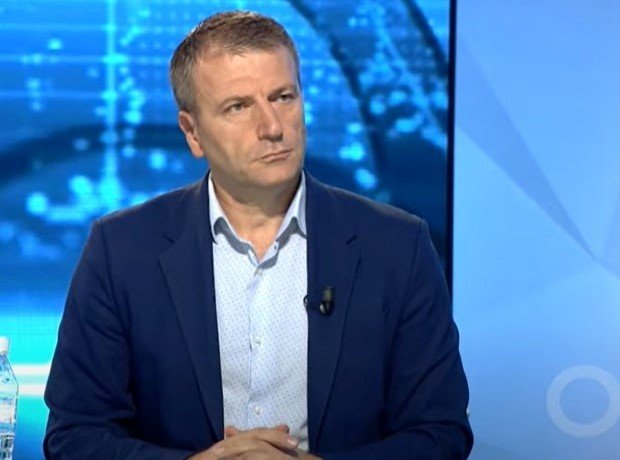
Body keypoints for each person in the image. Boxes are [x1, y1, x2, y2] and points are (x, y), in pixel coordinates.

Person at [44, 10, 473, 460]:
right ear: (192, 133)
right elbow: (74, 436)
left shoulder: (397, 247)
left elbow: (440, 433)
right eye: (239, 106)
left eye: (283, 97)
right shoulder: (121, 250)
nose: (272, 127)